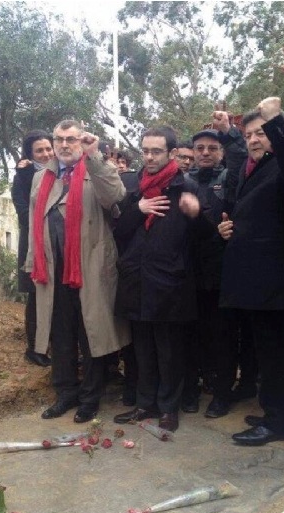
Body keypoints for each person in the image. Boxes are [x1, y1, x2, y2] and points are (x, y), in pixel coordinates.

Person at [218, 97, 284, 446]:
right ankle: (276, 411)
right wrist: (228, 229)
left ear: (277, 134)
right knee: (267, 352)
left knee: (275, 354)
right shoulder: (257, 170)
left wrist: (276, 118)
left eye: (261, 132)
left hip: (272, 281)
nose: (254, 140)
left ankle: (282, 422)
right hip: (254, 281)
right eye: (249, 135)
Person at [25, 119, 130, 423]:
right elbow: (34, 223)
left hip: (90, 269)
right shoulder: (41, 176)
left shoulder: (95, 170)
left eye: (71, 139)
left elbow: (115, 196)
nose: (64, 145)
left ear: (82, 141)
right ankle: (65, 393)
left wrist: (95, 156)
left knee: (90, 334)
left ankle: (90, 398)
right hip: (52, 271)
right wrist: (34, 263)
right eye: (59, 139)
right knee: (60, 335)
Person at [113, 125, 211, 432]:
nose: (150, 157)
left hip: (170, 284)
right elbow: (119, 233)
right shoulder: (134, 188)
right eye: (145, 151)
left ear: (171, 153)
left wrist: (197, 215)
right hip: (137, 282)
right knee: (142, 350)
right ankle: (145, 405)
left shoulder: (187, 188)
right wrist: (138, 210)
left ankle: (169, 408)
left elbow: (207, 241)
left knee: (169, 352)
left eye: (156, 151)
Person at [181, 127, 249, 418]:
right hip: (189, 271)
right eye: (200, 148)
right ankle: (191, 391)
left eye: (212, 147)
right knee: (191, 334)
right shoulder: (183, 181)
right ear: (193, 152)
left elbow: (240, 159)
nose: (206, 153)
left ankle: (222, 394)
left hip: (223, 271)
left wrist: (231, 134)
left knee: (223, 336)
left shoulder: (230, 179)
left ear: (220, 152)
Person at [11, 129, 54, 367]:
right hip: (34, 244)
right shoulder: (23, 178)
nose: (46, 153)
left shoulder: (59, 173)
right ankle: (34, 349)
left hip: (57, 244)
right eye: (40, 150)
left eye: (49, 148)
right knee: (37, 298)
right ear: (30, 154)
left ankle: (55, 345)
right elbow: (24, 213)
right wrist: (26, 175)